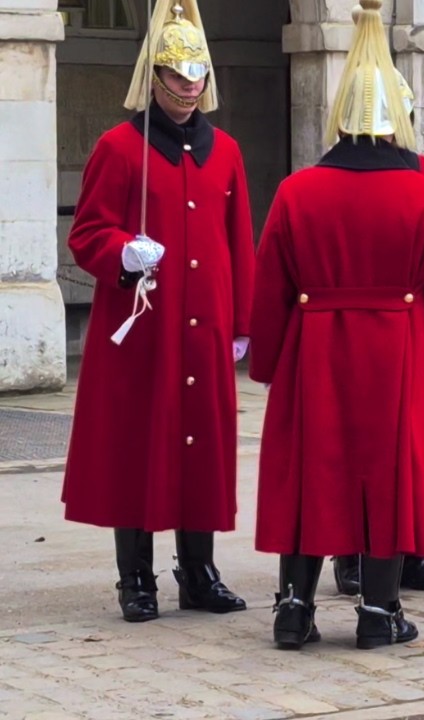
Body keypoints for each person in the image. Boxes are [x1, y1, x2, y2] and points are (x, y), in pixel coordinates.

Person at [249, 0, 424, 650]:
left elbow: (269, 289)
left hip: (313, 347)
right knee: (388, 476)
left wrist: (267, 364)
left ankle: (294, 608)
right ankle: (379, 615)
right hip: (395, 349)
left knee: (310, 476)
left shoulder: (297, 190)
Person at [62, 0, 252, 624]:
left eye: (198, 76)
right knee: (138, 447)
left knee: (202, 448)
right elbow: (88, 234)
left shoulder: (224, 150)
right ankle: (135, 578)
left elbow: (237, 240)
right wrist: (124, 251)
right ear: (156, 78)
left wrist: (243, 322)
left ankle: (199, 572)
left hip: (206, 327)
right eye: (178, 76)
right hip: (145, 328)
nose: (190, 87)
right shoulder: (120, 149)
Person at [330, 111, 424, 597]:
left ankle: (413, 551)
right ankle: (349, 551)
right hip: (357, 328)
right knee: (354, 446)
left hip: (421, 328)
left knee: (416, 450)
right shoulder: (332, 175)